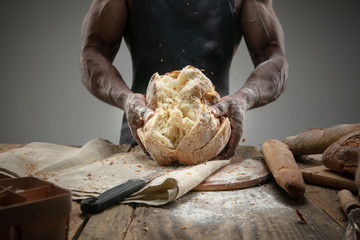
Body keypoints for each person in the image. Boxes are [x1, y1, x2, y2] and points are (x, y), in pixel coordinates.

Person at [80, 0, 288, 160]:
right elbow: (93, 51)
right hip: (143, 140)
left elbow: (272, 56)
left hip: (214, 144)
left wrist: (244, 98)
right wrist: (126, 99)